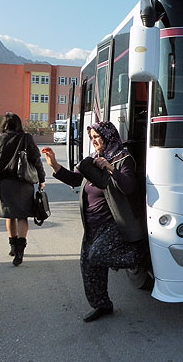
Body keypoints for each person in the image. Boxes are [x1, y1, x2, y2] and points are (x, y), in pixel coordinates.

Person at [41, 121, 147, 323]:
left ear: (108, 136)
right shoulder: (92, 159)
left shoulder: (122, 159)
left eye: (97, 137)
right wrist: (54, 164)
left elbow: (129, 187)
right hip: (92, 224)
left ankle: (139, 258)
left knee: (97, 254)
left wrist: (110, 169)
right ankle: (102, 305)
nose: (94, 141)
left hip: (113, 222)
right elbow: (75, 180)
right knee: (88, 266)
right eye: (91, 138)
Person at [0, 113, 46, 266]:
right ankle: (20, 250)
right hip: (25, 182)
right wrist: (42, 179)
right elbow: (36, 160)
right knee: (22, 216)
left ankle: (13, 247)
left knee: (10, 215)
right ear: (19, 124)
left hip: (6, 183)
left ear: (3, 125)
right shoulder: (26, 138)